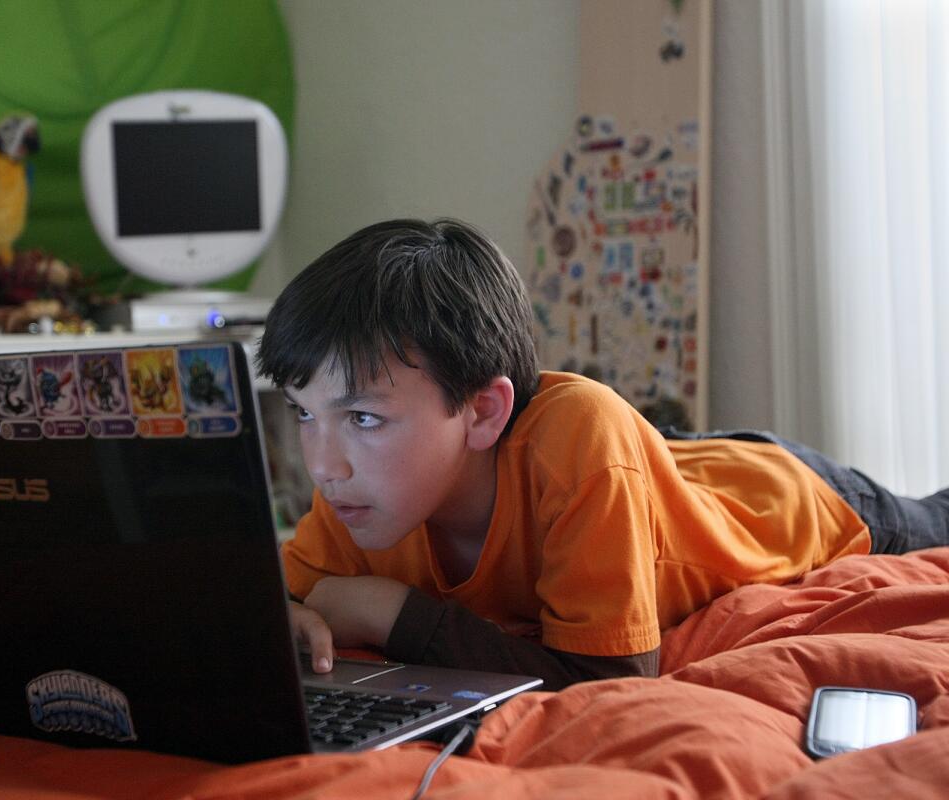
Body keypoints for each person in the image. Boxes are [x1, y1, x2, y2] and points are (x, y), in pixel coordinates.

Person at [255, 218, 949, 690]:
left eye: (365, 417)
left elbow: (611, 681)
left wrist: (391, 613)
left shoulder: (578, 430)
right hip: (666, 469)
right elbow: (281, 594)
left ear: (482, 410)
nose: (322, 463)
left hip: (791, 497)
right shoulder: (358, 484)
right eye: (303, 414)